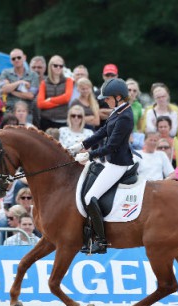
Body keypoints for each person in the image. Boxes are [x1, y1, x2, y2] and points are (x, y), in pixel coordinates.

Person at [69, 78, 133, 254]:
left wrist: (89, 155)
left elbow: (112, 145)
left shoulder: (126, 116)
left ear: (119, 97)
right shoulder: (117, 111)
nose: (105, 100)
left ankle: (101, 241)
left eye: (108, 98)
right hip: (110, 160)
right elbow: (102, 132)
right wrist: (83, 144)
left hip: (118, 163)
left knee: (90, 197)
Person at [36, 55, 73, 130]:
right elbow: (40, 104)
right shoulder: (44, 83)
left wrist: (50, 99)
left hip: (62, 120)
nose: (58, 67)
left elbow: (66, 98)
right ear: (50, 66)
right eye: (55, 65)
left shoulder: (68, 81)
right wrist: (59, 102)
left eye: (61, 66)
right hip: (46, 120)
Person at [0, 48, 39, 115]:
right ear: (11, 61)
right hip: (10, 112)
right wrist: (20, 82)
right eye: (13, 58)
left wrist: (11, 90)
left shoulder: (33, 75)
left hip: (27, 112)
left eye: (19, 57)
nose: (16, 60)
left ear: (24, 58)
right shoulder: (5, 73)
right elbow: (3, 89)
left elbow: (30, 96)